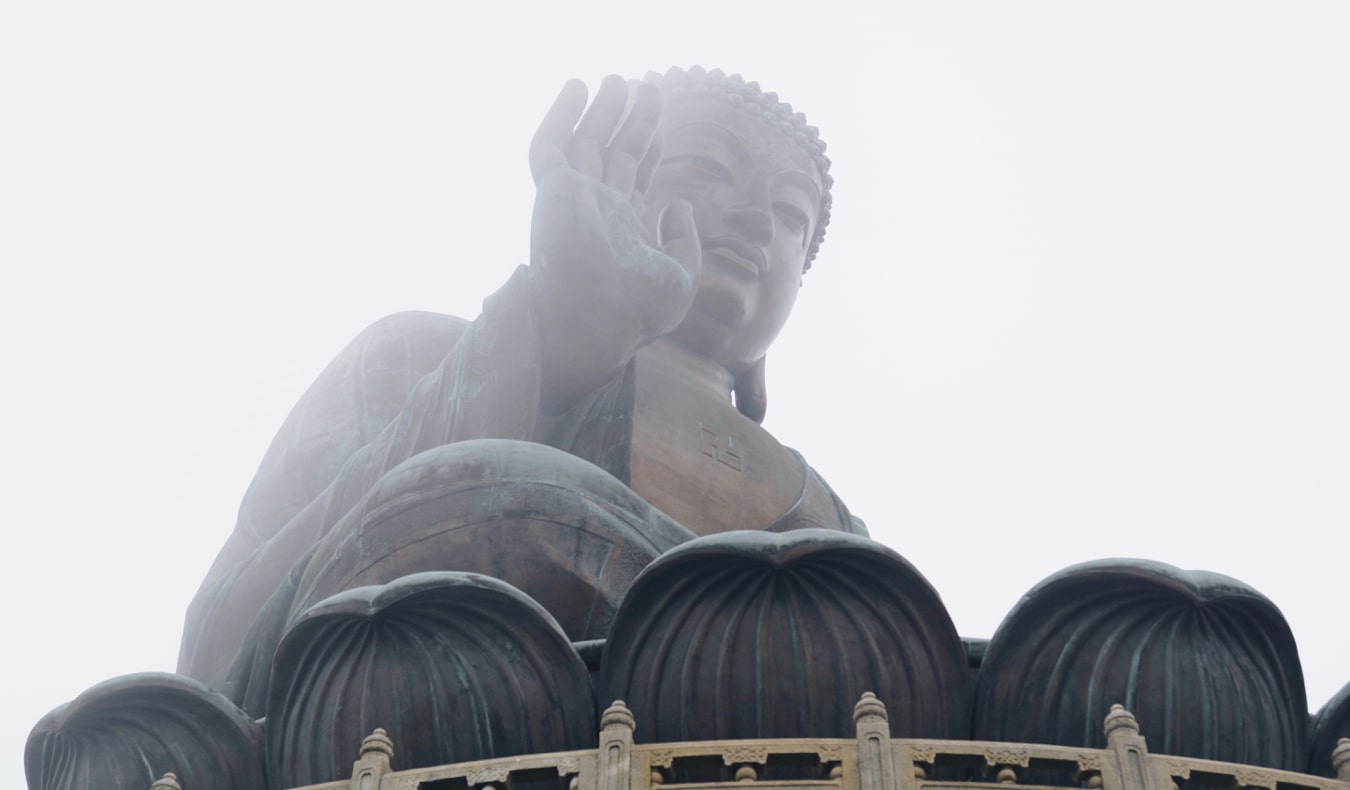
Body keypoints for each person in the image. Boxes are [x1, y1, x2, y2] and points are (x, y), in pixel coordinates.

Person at [178, 68, 865, 708]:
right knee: (473, 495)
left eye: (792, 216)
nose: (754, 219)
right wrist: (554, 339)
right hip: (437, 721)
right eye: (706, 167)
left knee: (873, 613)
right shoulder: (418, 355)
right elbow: (217, 664)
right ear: (619, 177)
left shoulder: (831, 515)